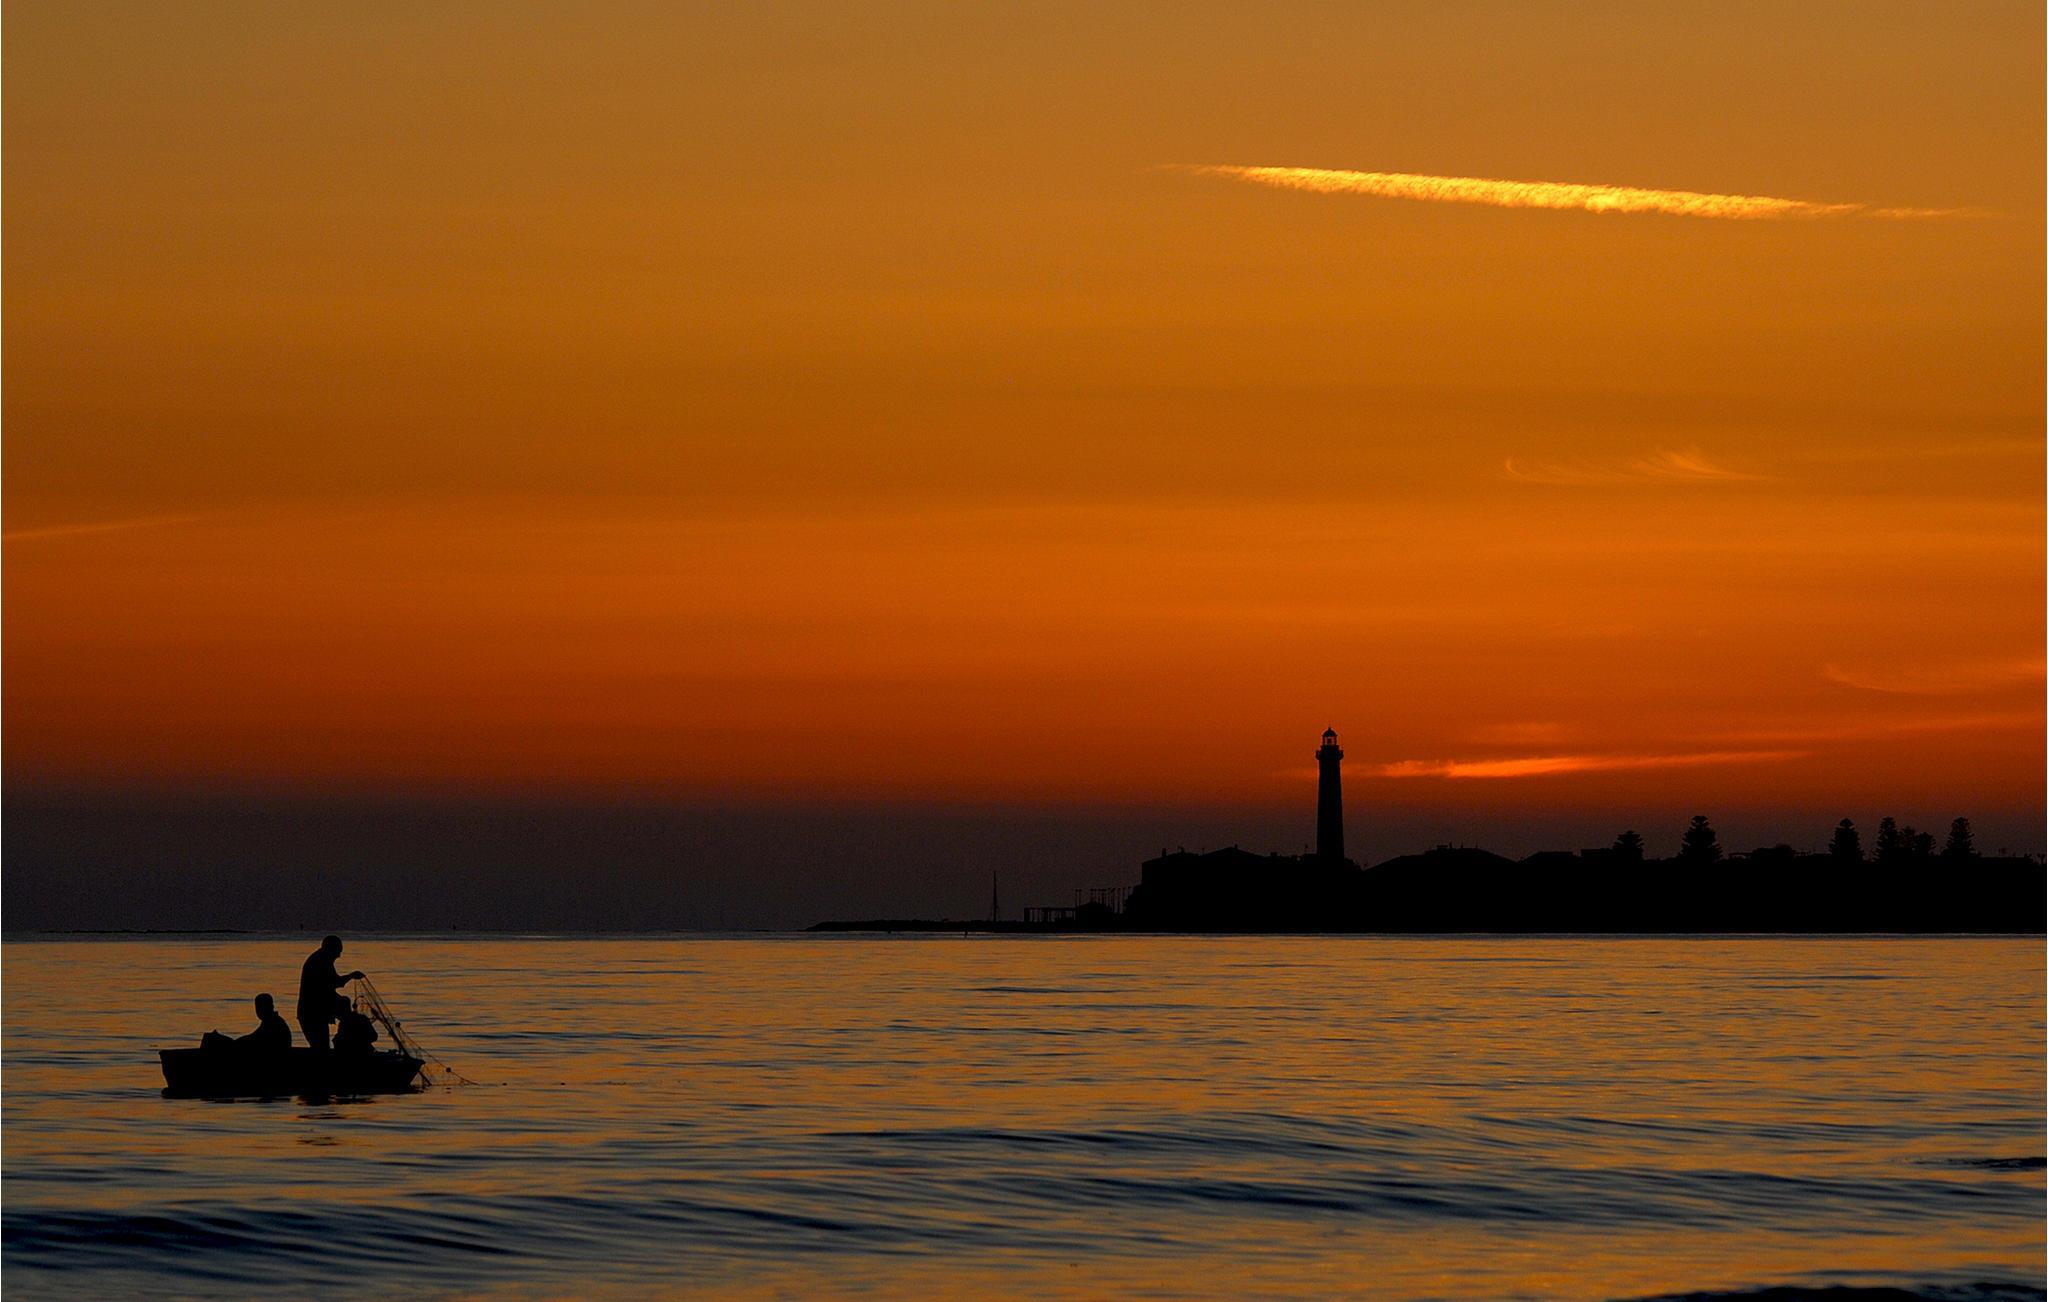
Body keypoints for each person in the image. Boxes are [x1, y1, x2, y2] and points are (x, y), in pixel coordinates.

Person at [297, 935, 365, 1053]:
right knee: (321, 1048)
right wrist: (351, 976)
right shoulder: (320, 961)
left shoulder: (322, 959)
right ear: (330, 949)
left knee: (321, 1047)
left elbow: (328, 987)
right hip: (311, 1014)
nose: (339, 956)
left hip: (315, 1013)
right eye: (338, 952)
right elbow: (335, 983)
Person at [201, 993, 292, 1055]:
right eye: (257, 1007)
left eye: (260, 1007)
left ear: (271, 1007)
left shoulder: (274, 1024)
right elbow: (254, 1038)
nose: (258, 1010)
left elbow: (255, 1039)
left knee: (211, 1039)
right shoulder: (271, 1022)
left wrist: (235, 1043)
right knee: (212, 1038)